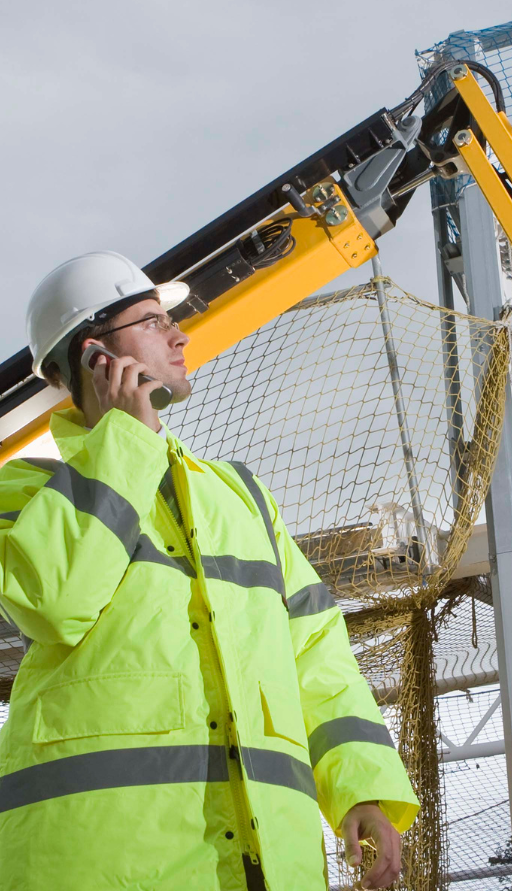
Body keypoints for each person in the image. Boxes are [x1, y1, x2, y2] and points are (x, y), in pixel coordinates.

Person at [0, 251, 418, 890]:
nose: (180, 334)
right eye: (151, 320)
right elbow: (54, 602)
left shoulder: (243, 497)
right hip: (103, 862)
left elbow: (316, 653)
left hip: (271, 864)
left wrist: (362, 788)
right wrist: (125, 438)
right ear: (94, 356)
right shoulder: (22, 495)